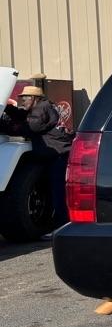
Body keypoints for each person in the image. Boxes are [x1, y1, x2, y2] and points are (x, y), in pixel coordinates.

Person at [3, 85, 73, 225]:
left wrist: (5, 127)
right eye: (22, 98)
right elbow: (24, 116)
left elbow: (30, 127)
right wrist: (8, 108)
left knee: (57, 190)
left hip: (58, 153)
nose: (23, 101)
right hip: (59, 151)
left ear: (34, 98)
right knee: (56, 188)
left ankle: (62, 225)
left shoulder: (41, 109)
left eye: (25, 98)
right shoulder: (44, 106)